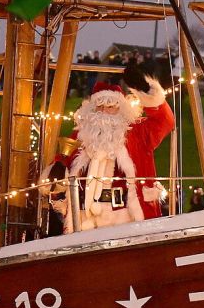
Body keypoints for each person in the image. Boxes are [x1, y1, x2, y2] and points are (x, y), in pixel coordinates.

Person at [49, 66, 175, 230]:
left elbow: (165, 121)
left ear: (120, 108)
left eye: (110, 106)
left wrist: (146, 91)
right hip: (86, 219)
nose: (104, 112)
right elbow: (60, 175)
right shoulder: (80, 136)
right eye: (99, 107)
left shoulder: (138, 132)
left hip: (128, 217)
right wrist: (57, 171)